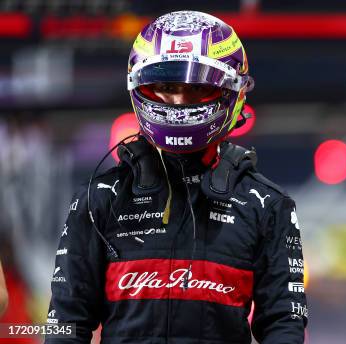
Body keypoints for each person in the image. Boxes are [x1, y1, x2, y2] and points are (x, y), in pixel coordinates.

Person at [45, 11, 307, 343]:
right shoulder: (99, 198)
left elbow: (284, 324)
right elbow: (66, 325)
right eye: (167, 87)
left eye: (196, 87)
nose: (179, 101)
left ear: (234, 91)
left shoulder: (268, 205)